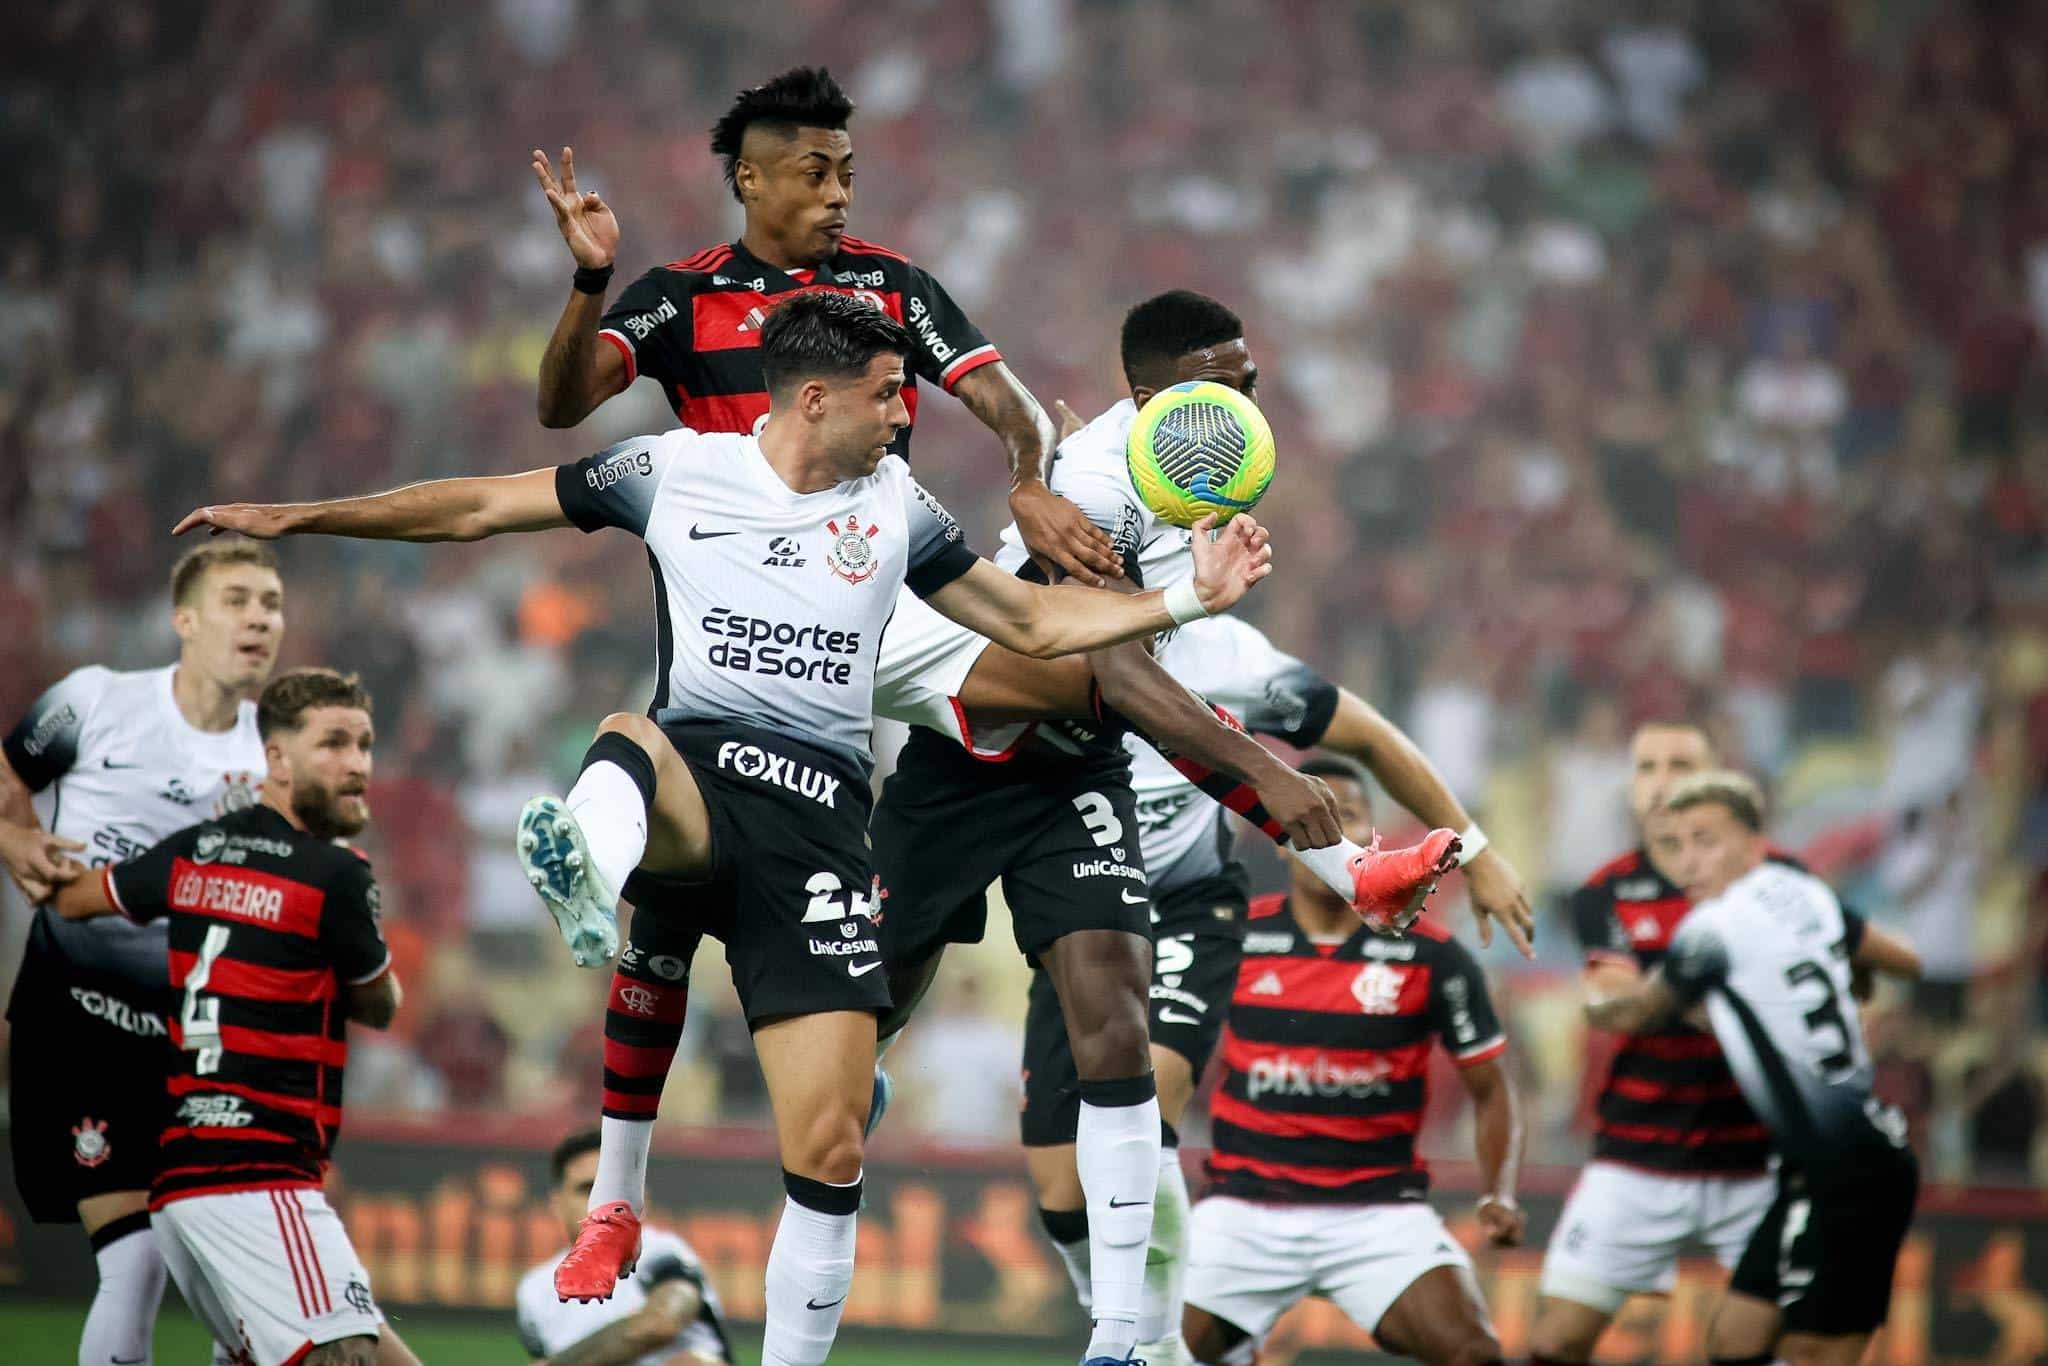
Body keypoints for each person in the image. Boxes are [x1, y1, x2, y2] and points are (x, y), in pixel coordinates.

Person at [172, 291, 1274, 1366]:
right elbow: (476, 508)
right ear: (812, 398)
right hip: (700, 775)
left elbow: (1030, 618)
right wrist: (299, 517)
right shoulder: (668, 470)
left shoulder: (897, 504)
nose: (904, 415)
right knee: (632, 738)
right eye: (887, 394)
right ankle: (591, 869)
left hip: (821, 825)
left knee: (832, 1148)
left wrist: (1185, 600)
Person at [864, 290, 1475, 1366]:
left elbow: (1134, 686)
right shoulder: (1099, 483)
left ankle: (1132, 1342)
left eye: (1250, 382)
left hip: (1080, 772)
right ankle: (863, 1055)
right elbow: (1102, 663)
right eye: (1219, 384)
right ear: (1150, 392)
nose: (1244, 402)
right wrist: (1267, 776)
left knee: (1117, 1024)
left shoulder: (1191, 474)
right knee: (874, 1006)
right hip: (970, 755)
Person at [1017, 607, 1536, 1366]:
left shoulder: (1230, 659)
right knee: (1063, 1194)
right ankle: (1134, 1324)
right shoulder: (1042, 635)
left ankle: (1140, 1344)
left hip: (1187, 914)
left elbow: (1370, 736)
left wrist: (1479, 852)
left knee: (1144, 1107)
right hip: (1081, 924)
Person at [531, 64, 1117, 586]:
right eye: (816, 176)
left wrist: (1028, 485)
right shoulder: (683, 294)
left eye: (846, 176)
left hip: (874, 573)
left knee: (1081, 594)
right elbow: (561, 407)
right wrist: (592, 277)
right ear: (751, 179)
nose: (839, 197)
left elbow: (1014, 407)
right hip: (744, 586)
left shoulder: (892, 283)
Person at [48, 669, 415, 1366]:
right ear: (276, 758)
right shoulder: (337, 873)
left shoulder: (196, 848)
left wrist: (24, 843)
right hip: (260, 1169)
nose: (358, 764)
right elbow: (380, 1005)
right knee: (350, 1355)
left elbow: (74, 899)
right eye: (333, 743)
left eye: (365, 745)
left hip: (183, 1181)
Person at [1532, 720, 1913, 1364]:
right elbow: (1618, 1000)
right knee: (1555, 1341)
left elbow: (1864, 961)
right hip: (1640, 1151)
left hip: (1757, 1161)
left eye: (1681, 766)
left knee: (1771, 1343)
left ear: (1714, 782)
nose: (1662, 783)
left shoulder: (1782, 881)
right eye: (1647, 767)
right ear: (1630, 789)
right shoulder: (1605, 890)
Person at [2, 540, 283, 1366]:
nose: (260, 619)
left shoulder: (272, 760)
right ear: (184, 620)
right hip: (77, 1019)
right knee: (135, 1260)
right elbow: (8, 775)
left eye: (271, 604)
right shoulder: (94, 701)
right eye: (238, 599)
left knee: (231, 1283)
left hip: (198, 1040)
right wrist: (13, 840)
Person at [1180, 756, 1525, 1366]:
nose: (1331, 832)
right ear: (1280, 838)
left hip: (1378, 1213)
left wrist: (1499, 1193)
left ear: (1373, 841)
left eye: (1351, 817)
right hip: (1244, 1210)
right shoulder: (1230, 938)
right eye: (1314, 815)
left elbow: (1492, 1089)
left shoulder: (1434, 957)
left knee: (1475, 1353)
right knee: (1154, 1353)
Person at [516, 1129, 730, 1366]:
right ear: (557, 1203)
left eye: (612, 1190)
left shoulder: (663, 1252)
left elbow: (662, 1322)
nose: (599, 1203)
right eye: (587, 1189)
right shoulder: (535, 1290)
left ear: (640, 1200)